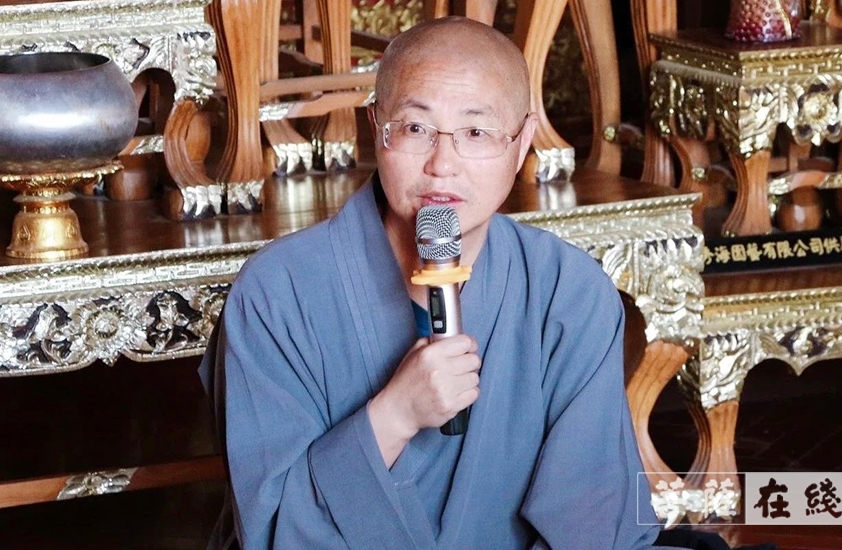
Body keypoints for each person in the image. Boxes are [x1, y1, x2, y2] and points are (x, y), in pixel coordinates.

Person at [200, 16, 676, 549]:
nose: (442, 165)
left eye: (476, 132)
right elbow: (271, 528)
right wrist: (394, 415)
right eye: (415, 128)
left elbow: (594, 522)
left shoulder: (568, 292)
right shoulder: (276, 293)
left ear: (522, 142)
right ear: (376, 128)